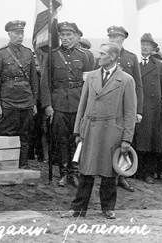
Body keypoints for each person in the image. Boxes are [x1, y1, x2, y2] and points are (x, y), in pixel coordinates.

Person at [63, 42, 137, 219]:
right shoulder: (92, 77)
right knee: (85, 171)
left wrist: (127, 139)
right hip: (90, 128)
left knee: (109, 172)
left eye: (103, 54)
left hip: (112, 131)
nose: (99, 56)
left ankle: (108, 208)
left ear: (113, 57)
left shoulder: (126, 80)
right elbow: (82, 104)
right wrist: (77, 131)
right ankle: (78, 209)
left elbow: (130, 112)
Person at [39, 21, 92, 187]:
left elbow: (88, 83)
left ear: (76, 37)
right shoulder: (52, 55)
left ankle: (74, 172)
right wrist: (48, 105)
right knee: (61, 139)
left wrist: (87, 106)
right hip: (59, 102)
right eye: (63, 35)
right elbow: (45, 83)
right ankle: (63, 172)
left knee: (76, 139)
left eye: (69, 35)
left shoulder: (85, 56)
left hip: (78, 102)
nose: (66, 38)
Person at [0, 20, 43, 168]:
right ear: (9, 34)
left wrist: (34, 102)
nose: (20, 36)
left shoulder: (27, 53)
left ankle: (22, 165)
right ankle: (7, 166)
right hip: (8, 102)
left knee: (24, 135)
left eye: (22, 33)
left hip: (25, 101)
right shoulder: (0, 54)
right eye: (16, 33)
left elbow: (33, 80)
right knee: (7, 135)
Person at [106, 25, 143, 192]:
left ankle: (122, 175)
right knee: (107, 140)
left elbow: (138, 87)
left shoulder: (131, 58)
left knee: (124, 141)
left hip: (125, 108)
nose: (113, 39)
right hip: (108, 107)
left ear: (123, 39)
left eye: (117, 37)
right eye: (111, 37)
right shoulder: (104, 56)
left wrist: (138, 110)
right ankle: (107, 174)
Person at [137, 33, 162, 184]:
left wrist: (161, 105)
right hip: (135, 109)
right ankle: (133, 171)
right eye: (142, 44)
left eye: (148, 45)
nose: (145, 47)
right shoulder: (132, 64)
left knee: (150, 143)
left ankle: (148, 173)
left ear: (152, 48)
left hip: (153, 111)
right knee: (134, 140)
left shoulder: (159, 66)